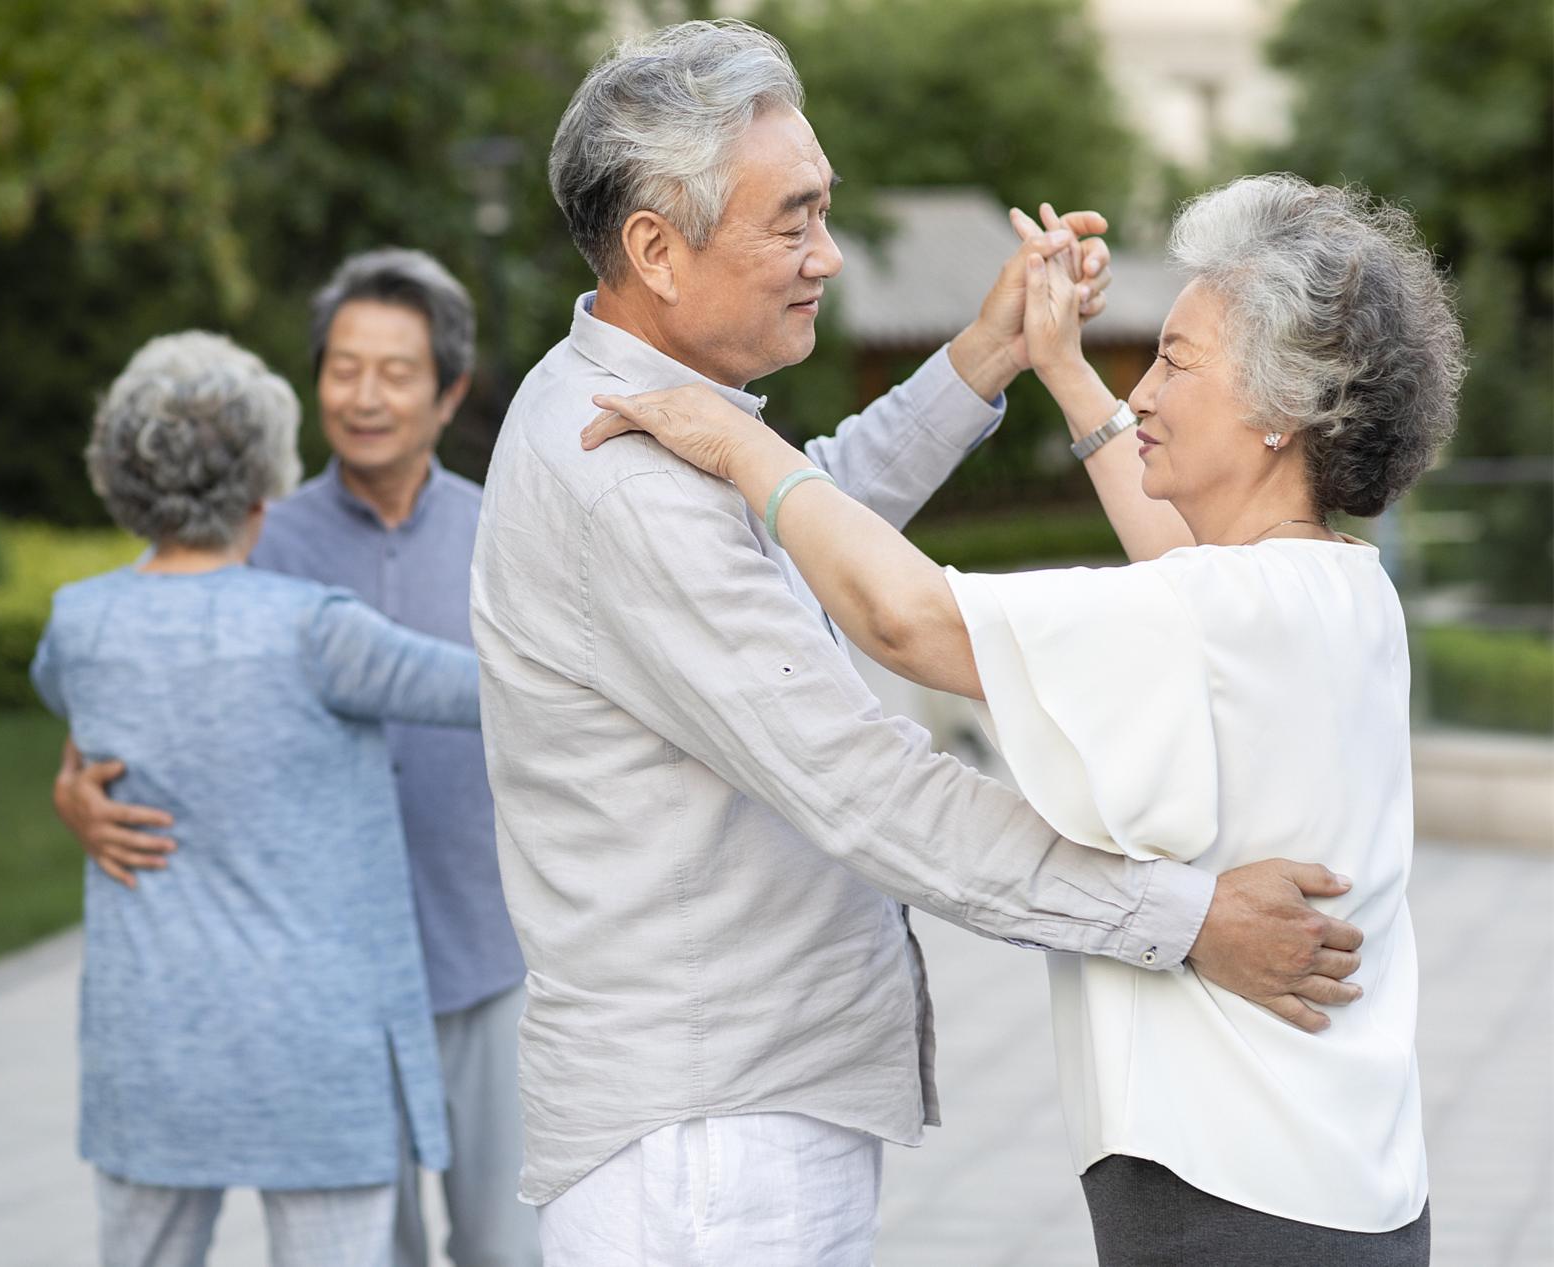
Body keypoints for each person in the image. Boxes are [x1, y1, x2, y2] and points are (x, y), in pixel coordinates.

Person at [468, 20, 1367, 1264]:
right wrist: (1185, 917)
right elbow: (866, 781)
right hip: (709, 1150)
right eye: (792, 220)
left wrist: (989, 353)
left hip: (726, 1116)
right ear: (655, 250)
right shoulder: (623, 475)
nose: (827, 256)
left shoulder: (639, 414)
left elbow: (801, 517)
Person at [53, 252, 540, 1267]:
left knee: (509, 1247)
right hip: (335, 983)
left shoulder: (510, 530)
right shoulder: (256, 538)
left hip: (484, 946)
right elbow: (127, 682)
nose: (364, 396)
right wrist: (75, 791)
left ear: (449, 392)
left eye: (395, 372)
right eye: (343, 368)